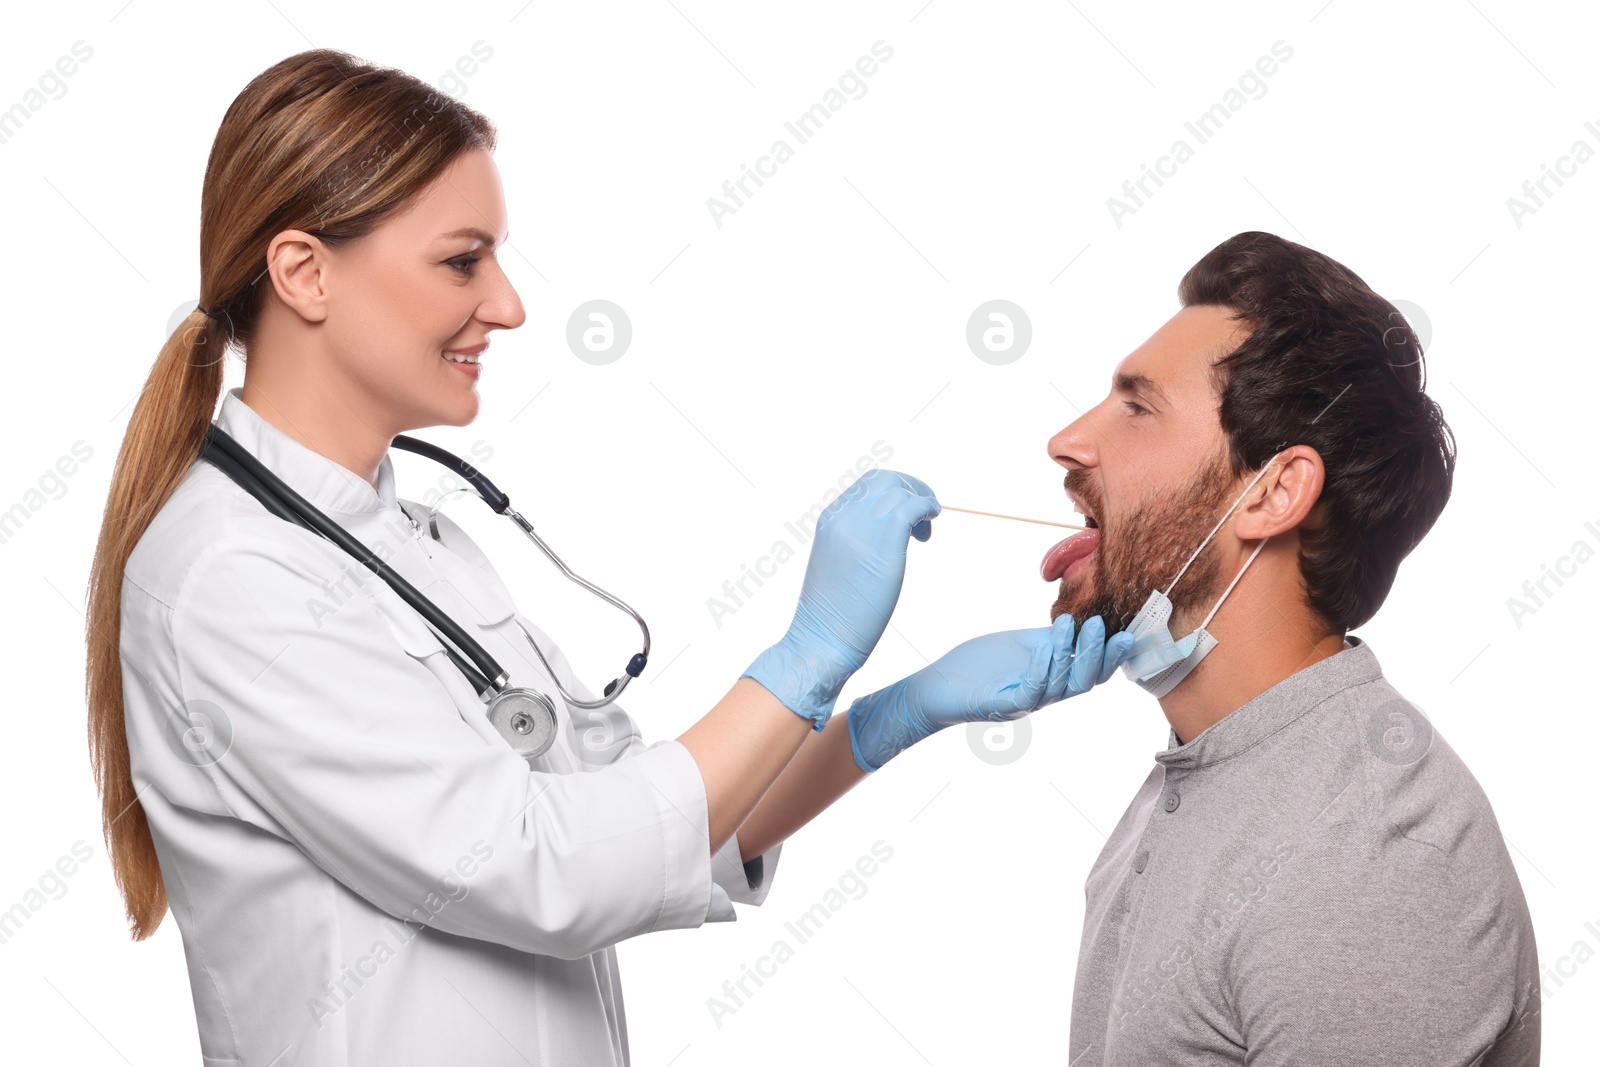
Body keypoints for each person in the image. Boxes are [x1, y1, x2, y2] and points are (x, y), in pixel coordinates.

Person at [82, 49, 1130, 1065]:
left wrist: (896, 710)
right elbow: (549, 865)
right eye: (462, 259)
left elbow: (659, 816)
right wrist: (806, 651)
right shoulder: (228, 580)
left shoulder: (425, 549)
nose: (508, 304)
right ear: (304, 272)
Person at [1043, 231, 1540, 1064]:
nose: (1067, 440)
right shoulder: (1206, 779)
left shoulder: (1366, 858)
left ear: (1274, 493)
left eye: (1137, 406)